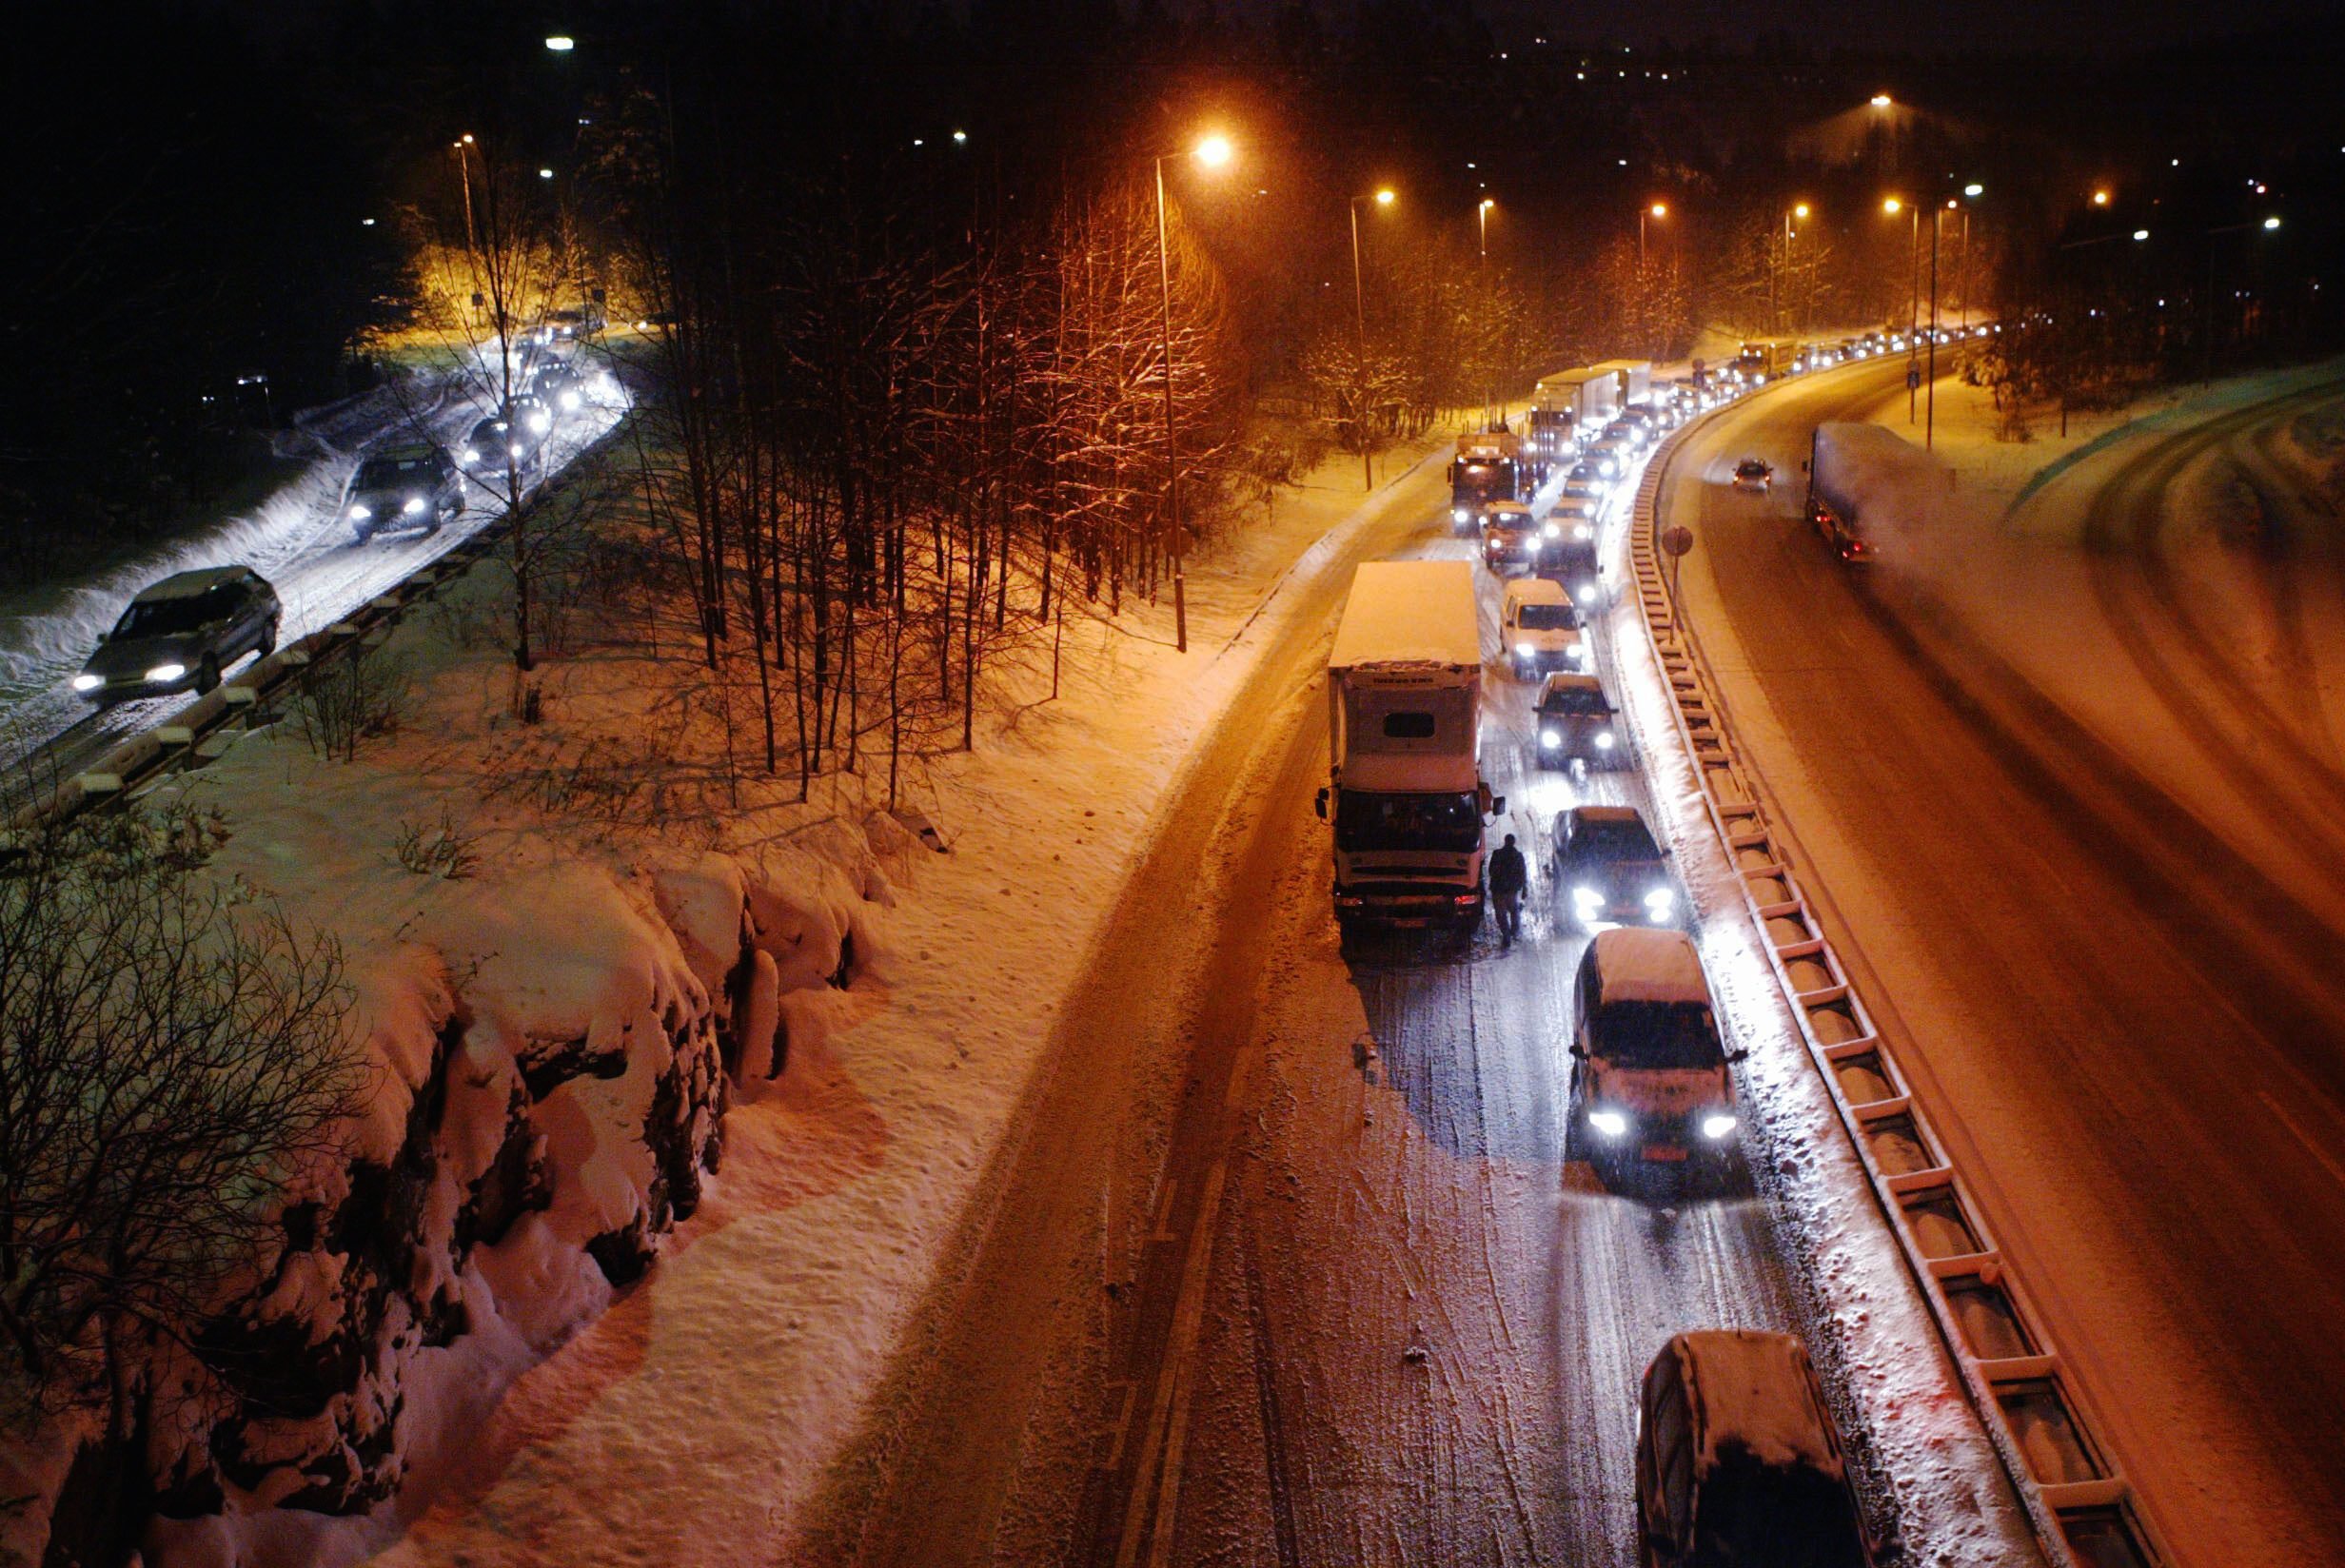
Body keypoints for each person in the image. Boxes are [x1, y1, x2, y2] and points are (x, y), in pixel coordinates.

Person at [1488, 833, 1528, 946]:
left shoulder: (1497, 854)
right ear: (1513, 842)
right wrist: (1524, 888)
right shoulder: (1518, 856)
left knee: (1501, 914)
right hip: (1512, 890)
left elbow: (1491, 871)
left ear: (1505, 841)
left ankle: (1506, 935)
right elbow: (1523, 873)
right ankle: (1514, 931)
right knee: (1514, 911)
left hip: (1498, 889)